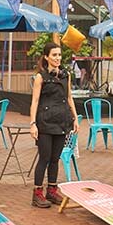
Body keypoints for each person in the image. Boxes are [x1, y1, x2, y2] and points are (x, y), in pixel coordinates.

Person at [29, 42, 79, 208]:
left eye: (59, 55)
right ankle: (37, 194)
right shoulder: (40, 77)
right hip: (44, 122)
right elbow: (35, 101)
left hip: (62, 122)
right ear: (46, 57)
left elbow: (69, 97)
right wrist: (33, 123)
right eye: (54, 55)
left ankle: (51, 190)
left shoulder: (66, 75)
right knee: (44, 158)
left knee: (55, 159)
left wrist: (75, 118)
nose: (57, 58)